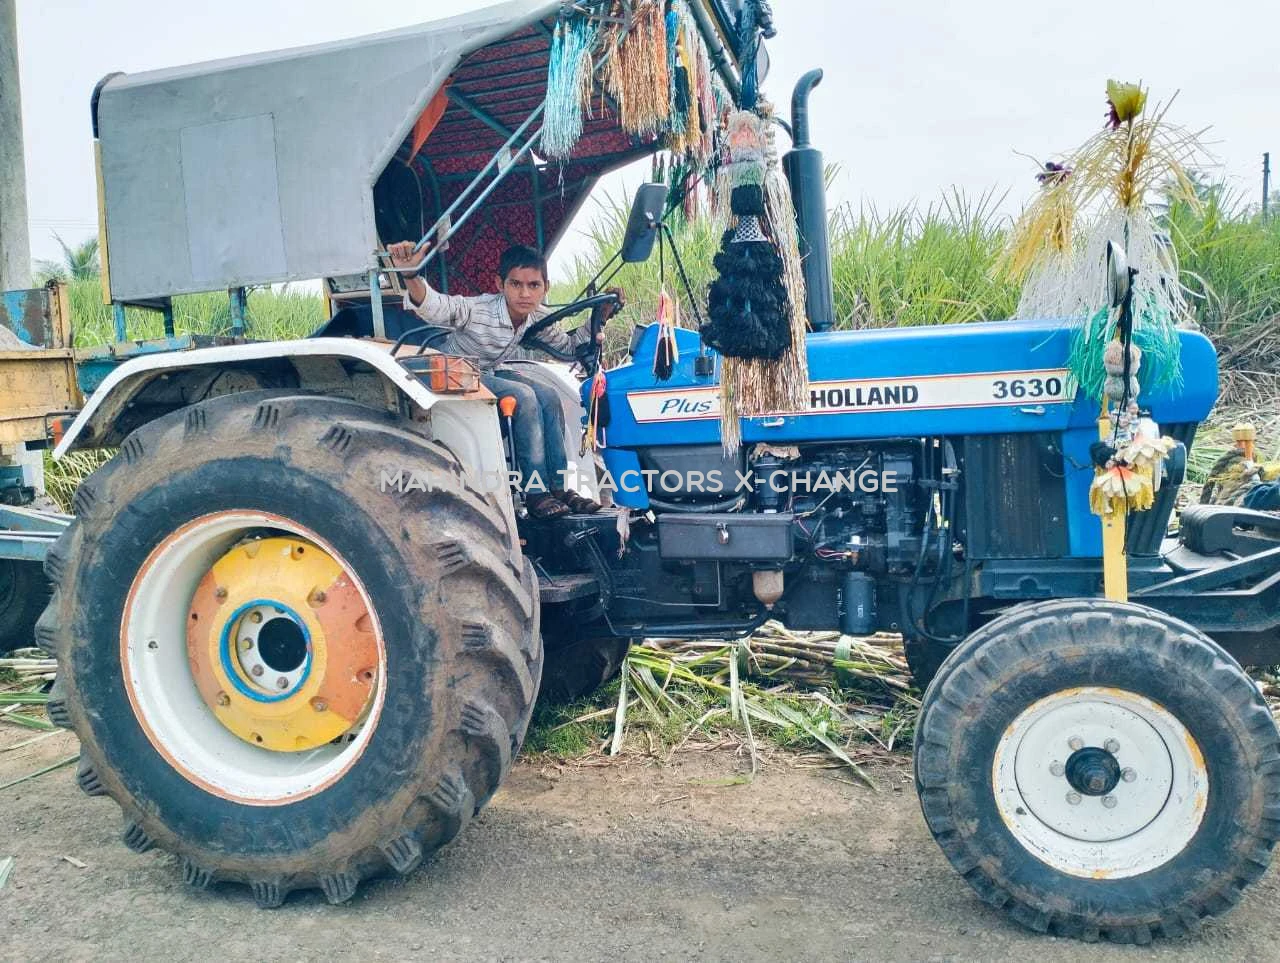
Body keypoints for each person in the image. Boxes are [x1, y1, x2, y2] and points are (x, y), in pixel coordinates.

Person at [388, 241, 618, 519]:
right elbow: (435, 306)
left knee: (548, 394)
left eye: (534, 285)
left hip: (491, 371)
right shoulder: (478, 310)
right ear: (500, 284)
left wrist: (600, 317)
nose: (524, 293)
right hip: (459, 373)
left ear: (546, 287)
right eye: (516, 284)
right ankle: (535, 493)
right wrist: (410, 275)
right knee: (524, 396)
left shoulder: (536, 316)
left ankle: (558, 488)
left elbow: (570, 349)